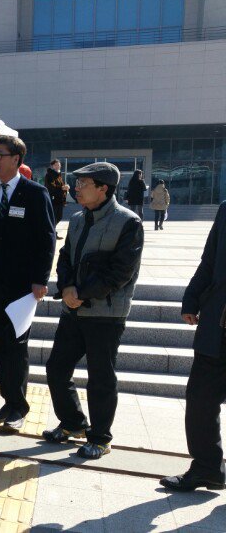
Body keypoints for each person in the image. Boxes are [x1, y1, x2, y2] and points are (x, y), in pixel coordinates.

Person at [42, 162, 144, 460]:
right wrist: (67, 287)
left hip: (106, 314)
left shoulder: (128, 222)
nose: (76, 188)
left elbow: (120, 273)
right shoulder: (76, 219)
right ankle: (73, 422)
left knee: (101, 377)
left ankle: (100, 437)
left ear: (103, 188)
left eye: (83, 184)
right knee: (56, 368)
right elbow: (65, 259)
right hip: (73, 310)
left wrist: (79, 293)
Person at [0, 135, 56, 431]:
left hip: (24, 287)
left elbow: (46, 239)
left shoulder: (35, 194)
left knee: (17, 345)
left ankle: (19, 405)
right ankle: (8, 401)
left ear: (16, 159)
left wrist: (40, 279)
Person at [160, 202, 226, 492]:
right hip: (217, 324)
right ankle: (207, 468)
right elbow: (210, 259)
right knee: (200, 398)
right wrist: (192, 297)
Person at [44, 160, 69, 238]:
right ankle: (51, 233)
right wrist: (62, 188)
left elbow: (60, 186)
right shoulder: (49, 175)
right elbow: (50, 187)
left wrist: (66, 187)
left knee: (59, 217)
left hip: (60, 200)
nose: (58, 166)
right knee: (54, 217)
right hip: (53, 200)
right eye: (56, 165)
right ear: (52, 166)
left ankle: (51, 232)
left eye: (59, 165)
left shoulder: (58, 175)